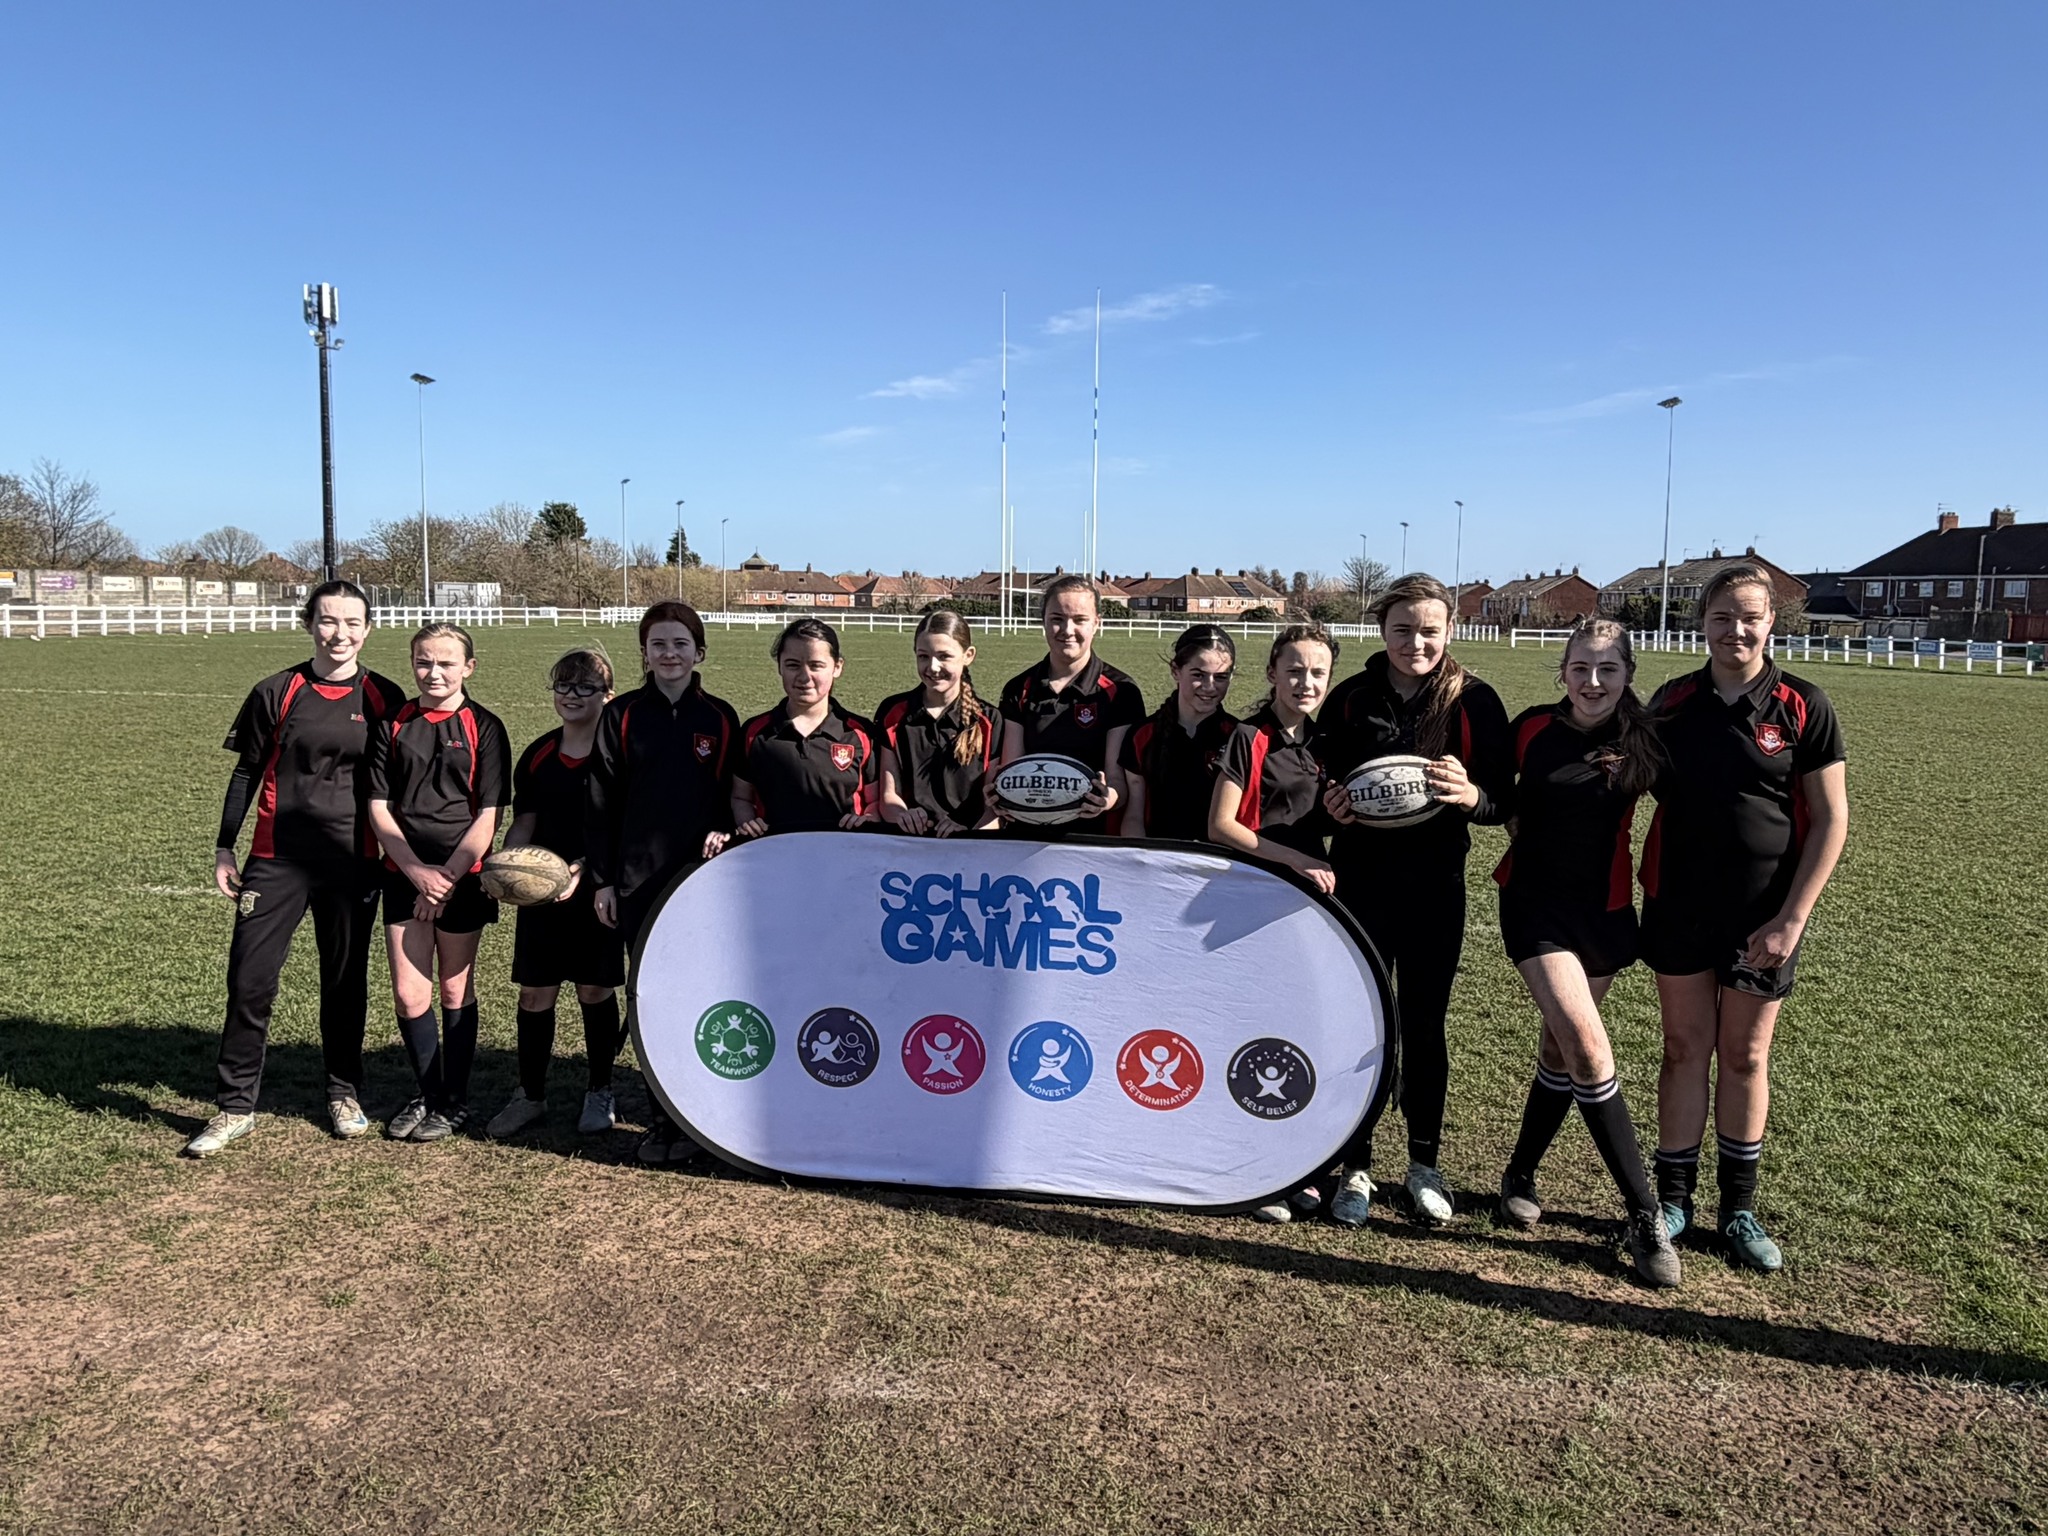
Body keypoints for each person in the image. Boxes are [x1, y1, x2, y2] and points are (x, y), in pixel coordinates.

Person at [1641, 564, 1848, 1271]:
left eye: (1750, 618)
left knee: (1746, 1056)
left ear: (1770, 623)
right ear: (1703, 622)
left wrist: (1794, 917)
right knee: (1681, 1050)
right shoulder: (1671, 701)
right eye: (1723, 617)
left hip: (1765, 918)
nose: (1736, 630)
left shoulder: (1802, 704)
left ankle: (1738, 1209)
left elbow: (1830, 820)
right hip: (1678, 907)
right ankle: (1672, 1200)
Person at [184, 581, 407, 1158]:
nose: (340, 633)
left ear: (368, 629)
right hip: (275, 860)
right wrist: (224, 846)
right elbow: (246, 774)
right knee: (250, 981)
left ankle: (344, 1092)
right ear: (309, 624)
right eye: (328, 621)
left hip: (353, 862)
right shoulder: (277, 691)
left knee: (344, 982)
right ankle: (235, 1106)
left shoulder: (385, 695)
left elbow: (399, 785)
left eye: (352, 622)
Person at [1319, 573, 1513, 1227]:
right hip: (1361, 886)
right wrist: (1334, 806)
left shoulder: (1475, 701)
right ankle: (1357, 1166)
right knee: (1362, 1023)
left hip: (1435, 890)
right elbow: (1319, 783)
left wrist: (1472, 797)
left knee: (1425, 1026)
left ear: (1449, 631)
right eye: (1403, 629)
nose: (1416, 642)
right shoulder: (1349, 699)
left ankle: (1425, 1165)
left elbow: (1504, 802)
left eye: (1429, 629)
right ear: (1383, 631)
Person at [1493, 620, 1680, 1288]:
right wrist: (1488, 805)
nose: (1592, 682)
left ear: (1629, 672)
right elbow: (1499, 799)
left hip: (1603, 915)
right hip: (1533, 908)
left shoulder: (1647, 739)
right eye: (1580, 668)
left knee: (1559, 1050)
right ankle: (1644, 1214)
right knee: (1589, 1047)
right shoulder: (1532, 727)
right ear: (1562, 670)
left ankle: (1518, 1172)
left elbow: (1700, 810)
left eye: (1608, 669)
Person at [586, 601, 742, 1166]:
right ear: (644, 654)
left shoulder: (721, 718)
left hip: (702, 883)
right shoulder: (621, 715)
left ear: (699, 652)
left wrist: (725, 833)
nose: (669, 654)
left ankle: (702, 1121)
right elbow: (599, 805)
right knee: (650, 999)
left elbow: (734, 798)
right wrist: (604, 881)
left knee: (702, 997)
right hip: (636, 883)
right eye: (658, 645)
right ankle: (660, 1120)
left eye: (680, 644)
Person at [1208, 623, 1341, 1225]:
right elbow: (1223, 826)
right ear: (1271, 674)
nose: (1305, 681)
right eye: (1293, 670)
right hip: (1255, 901)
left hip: (1310, 911)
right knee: (1250, 1035)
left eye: (1316, 672)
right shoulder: (1248, 736)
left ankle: (1303, 1168)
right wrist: (1299, 860)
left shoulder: (1328, 741)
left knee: (1304, 1035)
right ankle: (1254, 1170)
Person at [367, 623, 513, 1142]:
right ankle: (427, 1095)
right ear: (413, 664)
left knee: (453, 987)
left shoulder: (486, 727)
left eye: (447, 663)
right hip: (404, 872)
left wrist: (447, 879)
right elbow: (379, 809)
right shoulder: (392, 724)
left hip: (463, 876)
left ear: (468, 668)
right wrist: (415, 873)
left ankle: (453, 1101)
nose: (434, 672)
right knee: (410, 996)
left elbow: (489, 813)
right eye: (424, 662)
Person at [485, 646, 627, 1141]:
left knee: (594, 988)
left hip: (598, 891)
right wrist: (507, 867)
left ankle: (601, 1089)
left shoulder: (619, 758)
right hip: (542, 893)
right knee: (535, 992)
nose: (571, 695)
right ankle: (530, 1095)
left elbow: (624, 827)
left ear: (607, 696)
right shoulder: (540, 754)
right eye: (563, 685)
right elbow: (524, 822)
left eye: (584, 686)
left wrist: (582, 870)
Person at [996, 574, 1145, 833]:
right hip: (1028, 834)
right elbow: (1012, 769)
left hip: (1091, 839)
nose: (1067, 630)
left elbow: (1118, 781)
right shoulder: (1018, 689)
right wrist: (1000, 796)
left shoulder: (1121, 691)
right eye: (1057, 619)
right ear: (1043, 621)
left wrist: (1105, 799)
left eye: (1079, 620)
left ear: (1096, 623)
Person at [726, 618, 878, 841]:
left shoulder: (859, 733)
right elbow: (741, 797)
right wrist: (747, 823)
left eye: (816, 665)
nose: (805, 677)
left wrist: (869, 819)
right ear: (779, 666)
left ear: (837, 667)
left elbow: (874, 800)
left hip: (845, 858)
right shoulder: (755, 732)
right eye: (793, 665)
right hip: (773, 857)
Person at [875, 610, 1000, 836]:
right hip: (911, 845)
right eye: (923, 656)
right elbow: (888, 796)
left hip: (971, 846)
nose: (932, 667)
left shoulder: (989, 720)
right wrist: (903, 816)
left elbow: (993, 806)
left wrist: (969, 831)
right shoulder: (893, 713)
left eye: (944, 656)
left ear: (968, 655)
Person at [1120, 624, 1238, 840]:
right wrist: (1139, 858)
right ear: (1176, 670)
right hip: (1157, 861)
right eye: (1198, 675)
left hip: (1219, 866)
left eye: (1220, 677)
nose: (1209, 687)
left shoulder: (1238, 737)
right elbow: (1134, 816)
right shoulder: (1142, 735)